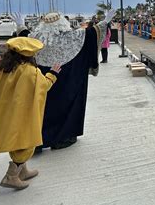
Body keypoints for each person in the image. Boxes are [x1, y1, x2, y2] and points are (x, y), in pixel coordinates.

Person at [12, 9, 115, 150]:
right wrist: (106, 21)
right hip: (68, 83)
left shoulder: (35, 39)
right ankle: (63, 137)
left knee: (41, 107)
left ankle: (37, 140)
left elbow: (25, 38)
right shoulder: (74, 37)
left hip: (43, 83)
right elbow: (93, 33)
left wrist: (20, 25)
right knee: (68, 104)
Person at [0, 37, 61, 190]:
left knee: (16, 141)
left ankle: (23, 171)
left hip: (7, 112)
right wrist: (53, 73)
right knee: (26, 142)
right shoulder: (30, 71)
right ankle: (12, 175)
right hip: (22, 114)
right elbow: (44, 86)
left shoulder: (3, 67)